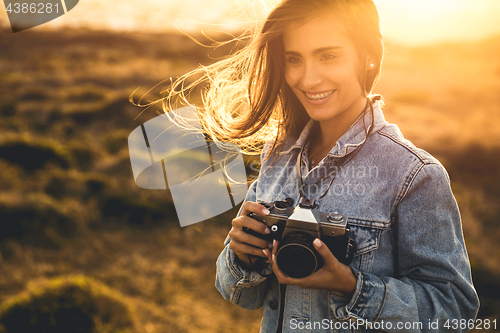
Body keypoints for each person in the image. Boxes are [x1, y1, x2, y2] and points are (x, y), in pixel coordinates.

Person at [165, 0, 479, 331]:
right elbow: (240, 295)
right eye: (294, 59)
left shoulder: (413, 174)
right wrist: (242, 257)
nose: (309, 79)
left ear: (368, 55)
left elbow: (454, 309)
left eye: (327, 56)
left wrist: (352, 286)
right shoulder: (277, 155)